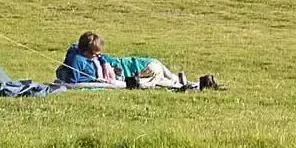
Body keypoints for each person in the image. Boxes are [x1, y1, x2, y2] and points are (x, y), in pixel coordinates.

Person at [62, 31, 220, 91]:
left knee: (156, 79)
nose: (99, 56)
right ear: (86, 51)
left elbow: (73, 80)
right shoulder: (79, 58)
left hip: (143, 67)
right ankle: (196, 84)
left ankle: (187, 85)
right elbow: (74, 80)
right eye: (96, 54)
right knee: (161, 79)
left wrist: (103, 62)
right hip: (144, 67)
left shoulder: (83, 55)